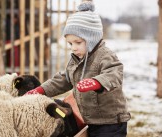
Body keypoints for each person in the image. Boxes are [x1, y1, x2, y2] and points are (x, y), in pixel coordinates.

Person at [25, 1, 131, 137]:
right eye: (70, 43)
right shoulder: (76, 59)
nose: (73, 47)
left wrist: (97, 83)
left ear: (92, 38)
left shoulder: (105, 56)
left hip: (111, 122)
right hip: (91, 120)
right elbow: (64, 79)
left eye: (78, 42)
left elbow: (114, 74)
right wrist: (41, 90)